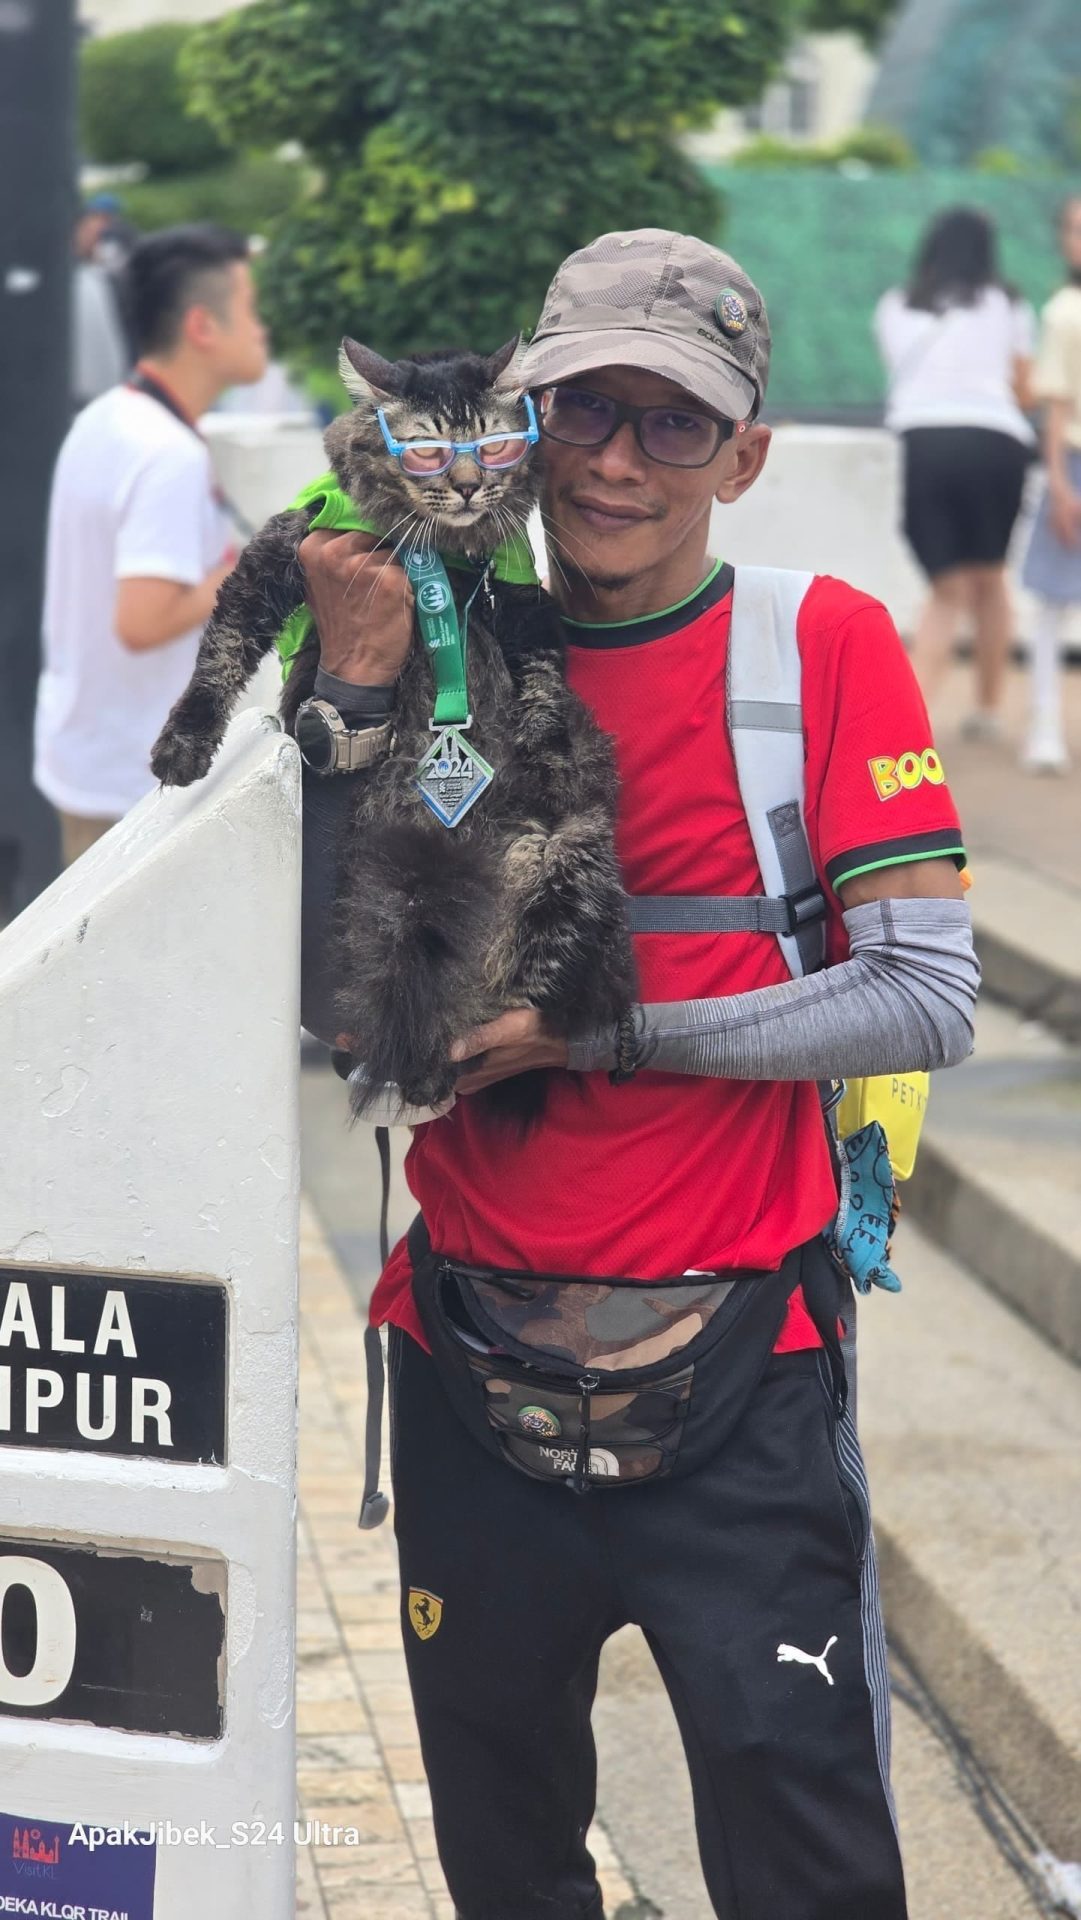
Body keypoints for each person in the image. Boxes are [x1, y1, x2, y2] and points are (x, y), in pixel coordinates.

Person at [297, 229, 980, 1920]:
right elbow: (330, 993)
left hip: (746, 1380)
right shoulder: (451, 646)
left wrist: (601, 1032)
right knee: (506, 1870)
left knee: (809, 1873)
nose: (614, 460)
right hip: (468, 1364)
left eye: (671, 424)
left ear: (745, 456)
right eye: (583, 408)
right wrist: (351, 692)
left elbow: (924, 995)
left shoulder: (816, 649)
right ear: (520, 421)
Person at [35, 223, 268, 866]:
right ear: (202, 327)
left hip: (84, 755)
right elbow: (141, 621)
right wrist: (240, 572)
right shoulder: (168, 455)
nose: (261, 331)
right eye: (250, 311)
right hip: (131, 785)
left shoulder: (107, 417)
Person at [874, 207, 1036, 734]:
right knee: (990, 577)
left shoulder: (895, 305)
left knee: (947, 590)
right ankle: (988, 710)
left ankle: (909, 722)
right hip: (998, 442)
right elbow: (1025, 390)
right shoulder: (1009, 304)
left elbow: (902, 378)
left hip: (927, 443)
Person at [1017, 192, 1081, 773]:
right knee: (1050, 607)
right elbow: (1055, 408)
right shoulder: (1064, 312)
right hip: (1077, 468)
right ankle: (1044, 727)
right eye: (1072, 228)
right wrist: (1060, 485)